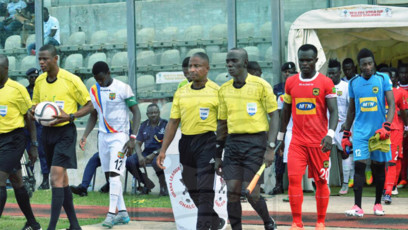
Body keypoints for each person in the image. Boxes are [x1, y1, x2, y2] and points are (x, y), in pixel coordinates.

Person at [157, 52, 224, 230]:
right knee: (191, 186)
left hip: (208, 142)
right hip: (186, 142)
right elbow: (173, 122)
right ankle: (215, 220)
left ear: (207, 69)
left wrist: (222, 150)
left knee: (205, 190)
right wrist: (163, 150)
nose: (192, 70)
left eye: (197, 66)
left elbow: (224, 124)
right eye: (190, 66)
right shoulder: (181, 92)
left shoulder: (217, 91)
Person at [215, 48, 278, 230]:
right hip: (233, 144)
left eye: (234, 61)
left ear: (245, 62)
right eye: (227, 61)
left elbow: (274, 116)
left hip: (256, 143)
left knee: (252, 193)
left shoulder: (260, 85)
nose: (229, 64)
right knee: (233, 193)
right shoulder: (224, 90)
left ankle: (268, 222)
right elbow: (222, 124)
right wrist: (218, 154)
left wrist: (271, 147)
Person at [31, 44, 93, 230]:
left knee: (55, 178)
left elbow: (90, 105)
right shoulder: (40, 81)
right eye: (40, 59)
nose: (41, 62)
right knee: (63, 180)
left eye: (45, 59)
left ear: (55, 59)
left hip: (65, 132)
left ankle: (51, 227)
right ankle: (75, 225)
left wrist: (71, 116)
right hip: (46, 132)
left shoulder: (71, 80)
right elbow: (35, 105)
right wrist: (33, 111)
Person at [279, 44, 338, 230]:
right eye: (301, 60)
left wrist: (330, 134)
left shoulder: (326, 83)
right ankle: (297, 222)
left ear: (316, 61)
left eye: (308, 60)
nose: (304, 63)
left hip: (320, 143)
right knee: (294, 179)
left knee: (321, 182)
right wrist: (281, 136)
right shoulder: (290, 82)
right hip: (297, 141)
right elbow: (286, 111)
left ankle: (320, 221)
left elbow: (334, 111)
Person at [79, 61, 140, 228]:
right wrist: (85, 135)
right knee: (109, 176)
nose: (99, 82)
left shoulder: (123, 88)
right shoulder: (94, 90)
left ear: (108, 72)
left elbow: (136, 112)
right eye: (96, 80)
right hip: (103, 136)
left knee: (114, 175)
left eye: (101, 79)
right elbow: (94, 114)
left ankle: (111, 214)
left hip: (119, 137)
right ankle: (123, 213)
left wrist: (132, 138)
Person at [342, 48, 395, 218]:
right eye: (364, 64)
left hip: (379, 132)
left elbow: (392, 105)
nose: (367, 67)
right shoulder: (353, 83)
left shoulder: (382, 79)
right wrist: (345, 133)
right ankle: (357, 206)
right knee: (359, 167)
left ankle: (377, 204)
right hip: (360, 132)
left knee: (379, 168)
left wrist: (387, 126)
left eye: (370, 63)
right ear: (359, 65)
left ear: (374, 64)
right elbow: (351, 109)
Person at [0, 55, 42, 230]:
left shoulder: (17, 89)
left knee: (0, 180)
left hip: (14, 139)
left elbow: (29, 118)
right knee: (17, 181)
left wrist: (33, 145)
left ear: (6, 69)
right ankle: (33, 223)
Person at [378, 67, 407, 204]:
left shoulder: (400, 92)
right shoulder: (376, 91)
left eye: (391, 77)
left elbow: (404, 111)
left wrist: (406, 126)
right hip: (379, 130)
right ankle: (389, 185)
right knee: (383, 161)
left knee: (393, 160)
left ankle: (388, 190)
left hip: (395, 129)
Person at [126, 103, 168, 196]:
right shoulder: (144, 125)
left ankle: (163, 187)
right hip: (146, 153)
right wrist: (140, 156)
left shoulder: (165, 124)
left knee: (155, 162)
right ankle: (147, 183)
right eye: (151, 113)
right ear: (147, 114)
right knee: (129, 161)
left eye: (155, 112)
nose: (153, 114)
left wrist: (154, 154)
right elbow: (138, 143)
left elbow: (167, 143)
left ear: (159, 113)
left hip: (161, 152)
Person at [270, 62, 297, 196]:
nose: (288, 74)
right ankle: (279, 184)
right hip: (283, 126)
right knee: (279, 155)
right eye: (286, 71)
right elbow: (277, 111)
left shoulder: (300, 85)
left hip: (298, 126)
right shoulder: (277, 88)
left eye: (291, 71)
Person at [326, 59, 351, 195]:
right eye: (329, 73)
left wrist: (347, 124)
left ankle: (345, 184)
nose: (331, 76)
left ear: (339, 73)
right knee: (326, 153)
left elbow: (351, 107)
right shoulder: (325, 85)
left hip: (342, 126)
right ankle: (326, 185)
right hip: (329, 125)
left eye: (334, 73)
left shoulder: (346, 87)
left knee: (344, 153)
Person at [24, 67, 50, 190]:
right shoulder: (24, 91)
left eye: (35, 77)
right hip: (27, 126)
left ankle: (45, 181)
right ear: (27, 78)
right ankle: (30, 179)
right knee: (29, 153)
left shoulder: (43, 90)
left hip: (40, 126)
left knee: (42, 153)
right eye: (31, 77)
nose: (34, 79)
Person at [397, 62, 408, 189]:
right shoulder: (396, 88)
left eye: (406, 72)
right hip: (400, 125)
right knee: (401, 153)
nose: (404, 75)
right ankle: (402, 178)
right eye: (402, 72)